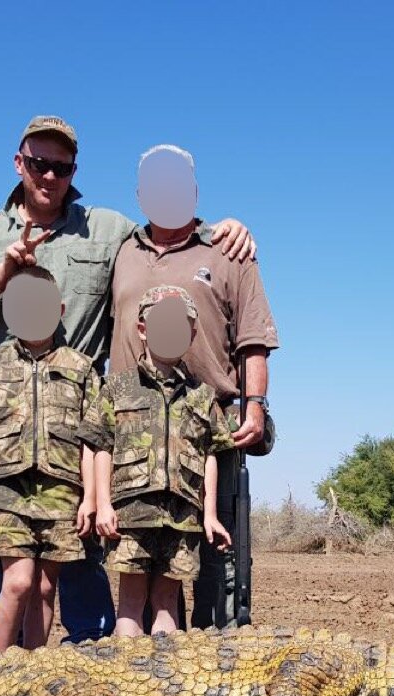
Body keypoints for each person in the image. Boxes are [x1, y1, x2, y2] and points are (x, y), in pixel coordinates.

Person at [0, 117, 255, 644]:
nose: (50, 175)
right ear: (19, 163)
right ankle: (3, 673)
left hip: (81, 417)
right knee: (15, 573)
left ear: (72, 171)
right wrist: (5, 274)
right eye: (40, 164)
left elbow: (167, 237)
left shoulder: (105, 228)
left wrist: (225, 229)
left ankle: (81, 656)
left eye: (62, 167)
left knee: (78, 549)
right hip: (7, 428)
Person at [109, 145, 278, 629]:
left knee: (213, 554)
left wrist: (255, 407)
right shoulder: (120, 249)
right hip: (131, 434)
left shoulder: (229, 250)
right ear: (140, 194)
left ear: (194, 192)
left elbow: (254, 339)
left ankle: (216, 664)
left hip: (208, 427)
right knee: (141, 564)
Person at [0, 266, 105, 650]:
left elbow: (90, 440)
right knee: (17, 582)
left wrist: (88, 498)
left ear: (61, 309)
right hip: (5, 491)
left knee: (45, 587)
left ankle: (33, 673)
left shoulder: (82, 369)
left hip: (60, 489)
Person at [94, 286, 232, 636]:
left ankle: (164, 687)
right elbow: (101, 447)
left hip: (182, 516)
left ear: (192, 334)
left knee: (167, 602)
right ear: (142, 329)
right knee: (129, 604)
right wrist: (102, 505)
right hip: (131, 512)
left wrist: (210, 514)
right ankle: (128, 683)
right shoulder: (117, 387)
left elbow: (210, 454)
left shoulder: (202, 395)